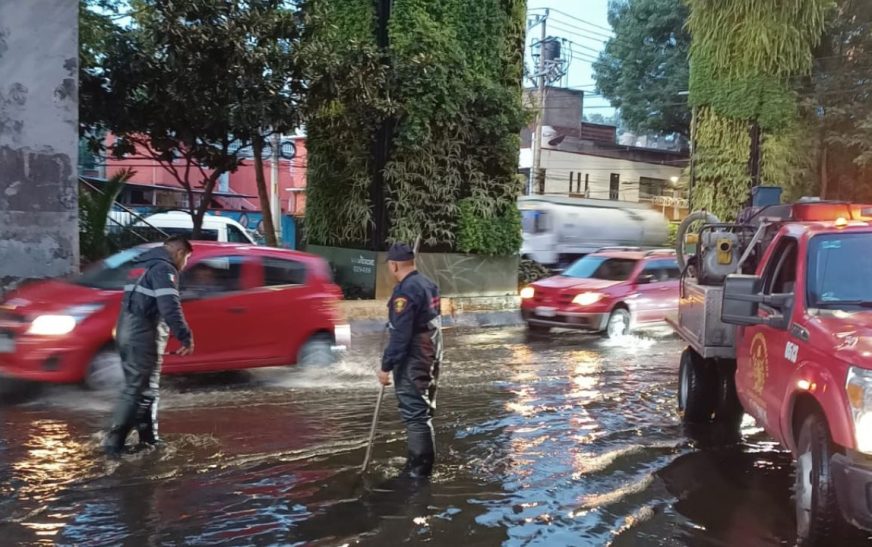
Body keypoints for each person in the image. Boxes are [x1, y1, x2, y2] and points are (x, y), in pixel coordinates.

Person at [103, 236, 195, 457]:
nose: (184, 266)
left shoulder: (141, 265)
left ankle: (149, 440)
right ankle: (113, 445)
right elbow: (169, 306)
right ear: (180, 252)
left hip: (127, 329)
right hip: (143, 333)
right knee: (138, 389)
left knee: (145, 388)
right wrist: (185, 336)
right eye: (186, 259)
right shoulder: (163, 269)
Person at [378, 242, 443, 478]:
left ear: (394, 265)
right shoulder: (428, 284)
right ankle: (418, 462)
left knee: (415, 412)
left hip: (415, 354)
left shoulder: (405, 292)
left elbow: (401, 335)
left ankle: (419, 469)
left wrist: (386, 366)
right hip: (432, 349)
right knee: (422, 410)